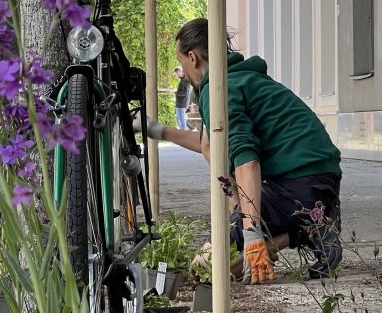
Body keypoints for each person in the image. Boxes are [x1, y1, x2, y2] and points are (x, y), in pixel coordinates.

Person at [135, 18, 343, 285]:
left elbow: (247, 161)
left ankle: (306, 231)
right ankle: (309, 229)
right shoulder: (238, 78)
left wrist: (252, 231)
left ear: (193, 57)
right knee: (230, 252)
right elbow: (208, 144)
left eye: (182, 63)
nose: (184, 73)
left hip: (300, 186)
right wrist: (156, 130)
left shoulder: (220, 89)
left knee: (206, 268)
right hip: (318, 181)